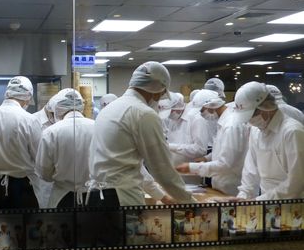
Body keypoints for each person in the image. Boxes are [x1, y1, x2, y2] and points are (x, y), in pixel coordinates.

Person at [87, 61, 196, 206]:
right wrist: (191, 203)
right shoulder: (143, 113)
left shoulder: (109, 109)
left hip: (97, 196)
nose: (158, 99)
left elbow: (132, 166)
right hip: (121, 199)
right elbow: (162, 169)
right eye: (161, 94)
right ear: (157, 89)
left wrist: (161, 196)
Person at [233, 82, 304, 200]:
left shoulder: (292, 132)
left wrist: (260, 200)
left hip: (294, 204)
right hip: (267, 202)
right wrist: (243, 196)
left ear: (265, 108)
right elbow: (250, 170)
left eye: (251, 116)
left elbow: (296, 182)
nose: (250, 121)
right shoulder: (256, 131)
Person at [0, 76, 42, 209]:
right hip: (22, 186)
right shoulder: (29, 120)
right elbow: (39, 157)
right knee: (24, 221)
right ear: (27, 97)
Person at [176, 90, 250, 196]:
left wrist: (192, 167)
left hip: (232, 187)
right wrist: (207, 158)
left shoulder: (230, 126)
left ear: (212, 106)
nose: (202, 114)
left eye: (202, 110)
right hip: (222, 184)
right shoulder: (223, 123)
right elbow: (224, 150)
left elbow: (226, 163)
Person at [35, 89, 95, 207]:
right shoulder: (97, 127)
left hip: (63, 197)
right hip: (94, 196)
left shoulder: (51, 132)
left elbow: (43, 172)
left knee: (62, 220)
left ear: (57, 109)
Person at [162, 92, 209, 166]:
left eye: (170, 112)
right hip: (174, 166)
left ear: (178, 108)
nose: (169, 116)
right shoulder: (173, 119)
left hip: (190, 168)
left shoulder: (196, 119)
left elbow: (200, 150)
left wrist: (171, 146)